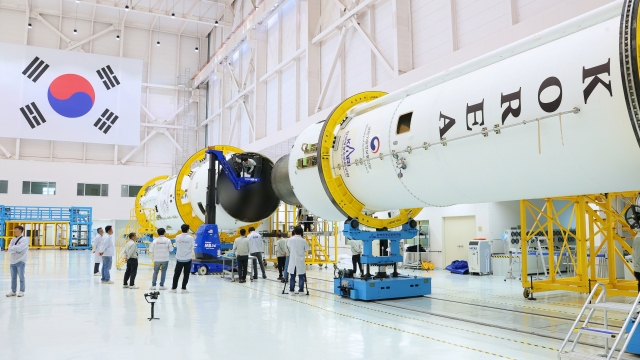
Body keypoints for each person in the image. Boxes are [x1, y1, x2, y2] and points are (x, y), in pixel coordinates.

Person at [171, 224, 195, 293]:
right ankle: (183, 288)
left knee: (176, 274)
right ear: (188, 230)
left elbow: (177, 245)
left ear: (181, 229)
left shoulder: (177, 237)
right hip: (188, 258)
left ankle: (173, 288)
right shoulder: (190, 238)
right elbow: (193, 247)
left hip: (179, 258)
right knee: (186, 274)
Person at [6, 225, 28, 297]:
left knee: (21, 277)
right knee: (13, 277)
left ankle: (21, 291)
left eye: (16, 229)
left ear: (20, 230)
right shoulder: (12, 240)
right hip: (12, 261)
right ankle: (13, 291)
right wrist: (14, 248)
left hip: (20, 261)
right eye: (14, 229)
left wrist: (13, 248)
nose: (14, 231)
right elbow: (9, 249)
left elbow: (19, 249)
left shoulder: (24, 240)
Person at [288, 226, 310, 295]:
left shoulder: (290, 239)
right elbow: (307, 249)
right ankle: (301, 290)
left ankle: (291, 291)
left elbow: (288, 246)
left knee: (292, 276)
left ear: (294, 231)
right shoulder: (303, 241)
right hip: (300, 260)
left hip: (293, 260)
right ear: (301, 232)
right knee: (301, 276)